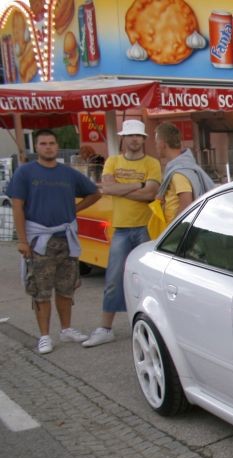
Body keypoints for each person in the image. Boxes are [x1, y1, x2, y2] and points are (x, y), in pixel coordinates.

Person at [10, 129, 102, 354]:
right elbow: (17, 207)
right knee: (41, 290)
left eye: (51, 143)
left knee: (66, 287)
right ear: (36, 147)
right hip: (39, 240)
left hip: (65, 238)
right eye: (43, 143)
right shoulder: (25, 173)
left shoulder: (68, 173)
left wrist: (74, 210)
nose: (48, 147)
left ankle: (66, 329)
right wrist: (22, 240)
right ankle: (44, 336)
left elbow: (94, 193)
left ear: (57, 146)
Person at [82, 119, 161, 348]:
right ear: (123, 139)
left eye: (138, 136)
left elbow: (151, 193)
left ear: (143, 139)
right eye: (130, 136)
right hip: (121, 228)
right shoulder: (112, 161)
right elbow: (107, 188)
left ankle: (151, 327)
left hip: (146, 227)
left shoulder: (152, 163)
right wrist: (138, 186)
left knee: (147, 281)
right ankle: (105, 328)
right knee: (113, 279)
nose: (134, 139)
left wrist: (121, 189)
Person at [154, 122, 215, 223]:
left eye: (156, 142)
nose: (156, 146)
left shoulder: (179, 173)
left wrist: (174, 228)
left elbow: (186, 204)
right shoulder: (184, 166)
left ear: (162, 143)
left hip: (178, 228)